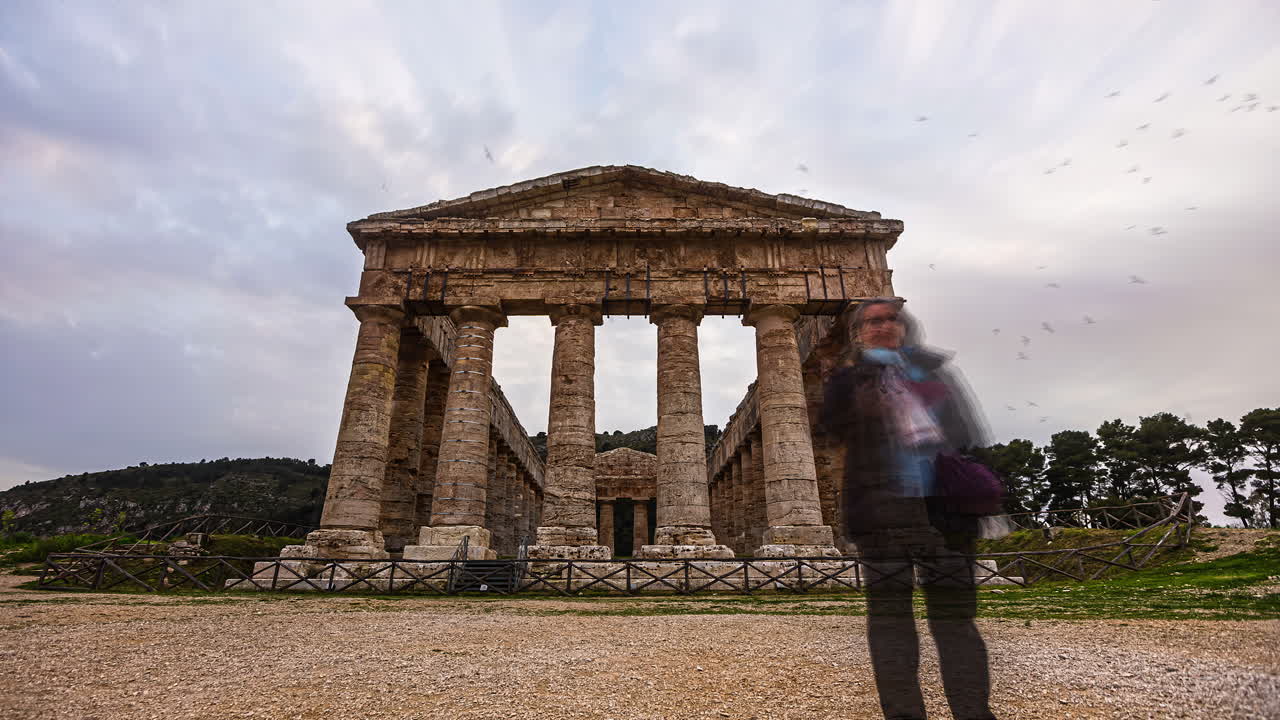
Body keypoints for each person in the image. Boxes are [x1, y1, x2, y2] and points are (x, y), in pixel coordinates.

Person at [819, 298, 998, 720]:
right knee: (891, 622)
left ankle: (974, 713)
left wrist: (982, 491)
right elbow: (826, 427)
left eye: (891, 319)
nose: (882, 327)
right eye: (872, 321)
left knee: (956, 619)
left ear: (906, 325)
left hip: (948, 510)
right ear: (857, 332)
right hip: (883, 513)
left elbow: (970, 435)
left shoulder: (935, 372)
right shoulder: (846, 380)